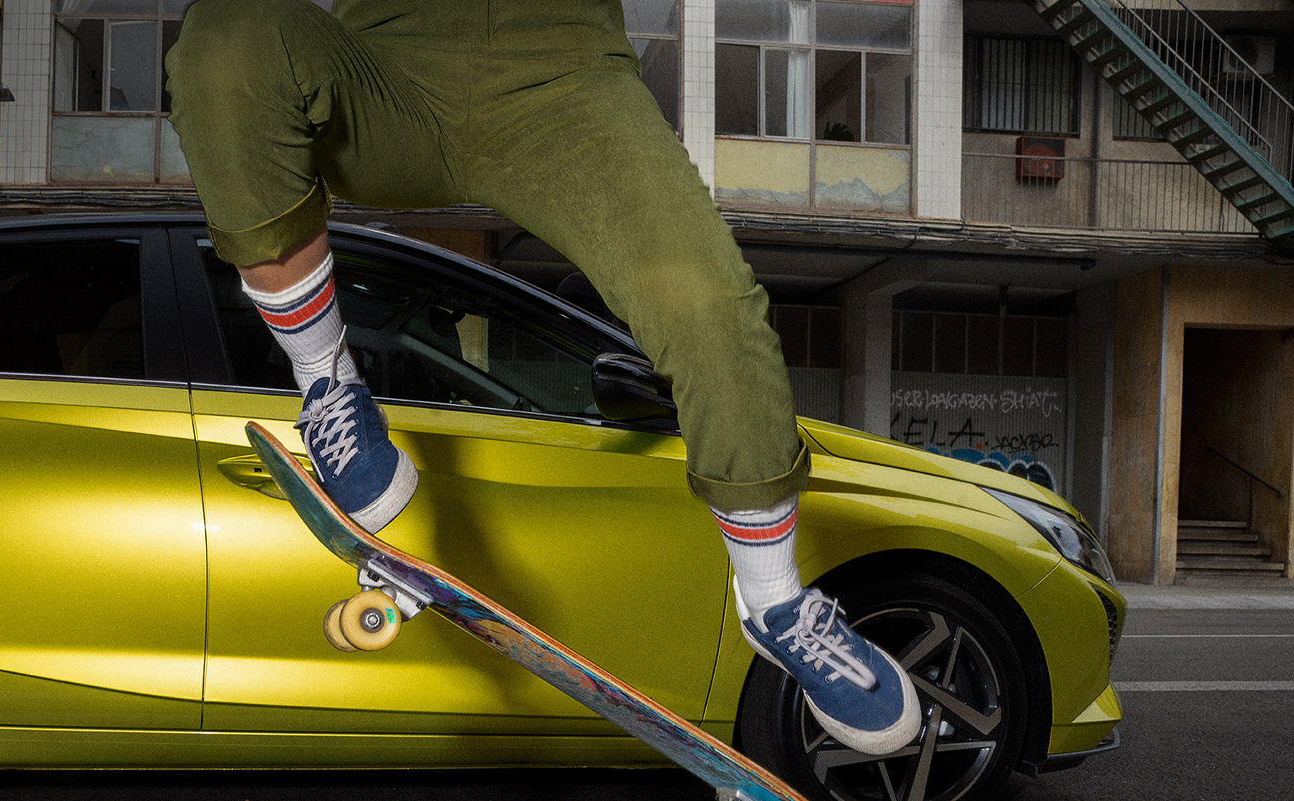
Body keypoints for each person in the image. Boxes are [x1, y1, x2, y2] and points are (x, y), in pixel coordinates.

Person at [165, 0, 921, 756]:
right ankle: (327, 381)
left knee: (710, 308)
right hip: (386, 76)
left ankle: (774, 603)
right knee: (227, 32)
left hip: (564, 85)